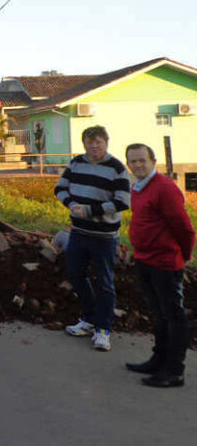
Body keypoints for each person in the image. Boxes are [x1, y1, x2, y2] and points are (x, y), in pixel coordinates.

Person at [54, 125, 130, 351]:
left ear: (106, 142)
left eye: (98, 142)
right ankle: (89, 318)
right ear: (84, 143)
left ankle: (103, 329)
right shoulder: (76, 162)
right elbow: (60, 188)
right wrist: (72, 205)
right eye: (89, 142)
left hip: (104, 237)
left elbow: (123, 201)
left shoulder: (116, 168)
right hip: (78, 232)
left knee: (105, 283)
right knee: (76, 274)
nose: (93, 146)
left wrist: (90, 211)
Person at [125, 143, 195, 388]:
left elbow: (184, 228)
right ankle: (158, 360)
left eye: (142, 160)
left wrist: (184, 256)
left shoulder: (165, 189)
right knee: (160, 314)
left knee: (174, 316)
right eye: (133, 161)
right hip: (145, 260)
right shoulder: (138, 188)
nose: (137, 165)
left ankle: (175, 371)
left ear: (153, 161)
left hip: (165, 263)